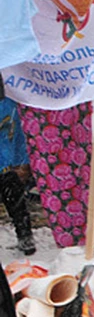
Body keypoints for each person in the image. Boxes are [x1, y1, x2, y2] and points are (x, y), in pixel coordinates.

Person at [0, 91, 34, 256]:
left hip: (7, 163)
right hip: (8, 165)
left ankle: (25, 236)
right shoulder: (11, 104)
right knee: (15, 199)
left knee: (14, 197)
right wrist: (22, 161)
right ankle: (25, 237)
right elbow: (19, 136)